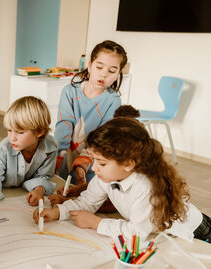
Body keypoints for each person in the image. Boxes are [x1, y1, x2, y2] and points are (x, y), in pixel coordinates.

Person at [35, 118, 211, 243]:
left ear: (128, 164)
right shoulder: (106, 175)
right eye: (94, 160)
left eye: (102, 163)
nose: (94, 168)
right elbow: (87, 202)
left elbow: (137, 232)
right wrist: (57, 212)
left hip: (194, 230)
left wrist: (96, 223)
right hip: (159, 233)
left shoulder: (145, 186)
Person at [54, 40, 128, 184]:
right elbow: (64, 125)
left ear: (118, 74)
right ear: (89, 66)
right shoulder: (69, 92)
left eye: (112, 71)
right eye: (99, 67)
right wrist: (57, 157)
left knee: (84, 197)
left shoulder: (113, 100)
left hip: (93, 163)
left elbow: (103, 138)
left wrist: (83, 163)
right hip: (64, 157)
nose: (104, 74)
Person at [0, 96, 58, 211]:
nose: (12, 138)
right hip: (5, 195)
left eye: (19, 132)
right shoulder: (3, 149)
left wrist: (39, 189)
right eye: (9, 130)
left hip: (23, 198)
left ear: (39, 131)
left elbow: (44, 176)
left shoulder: (51, 147)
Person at [49, 105, 140, 207]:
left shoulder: (140, 182)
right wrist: (80, 188)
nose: (94, 167)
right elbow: (101, 187)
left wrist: (69, 201)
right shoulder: (111, 170)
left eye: (102, 163)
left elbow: (113, 204)